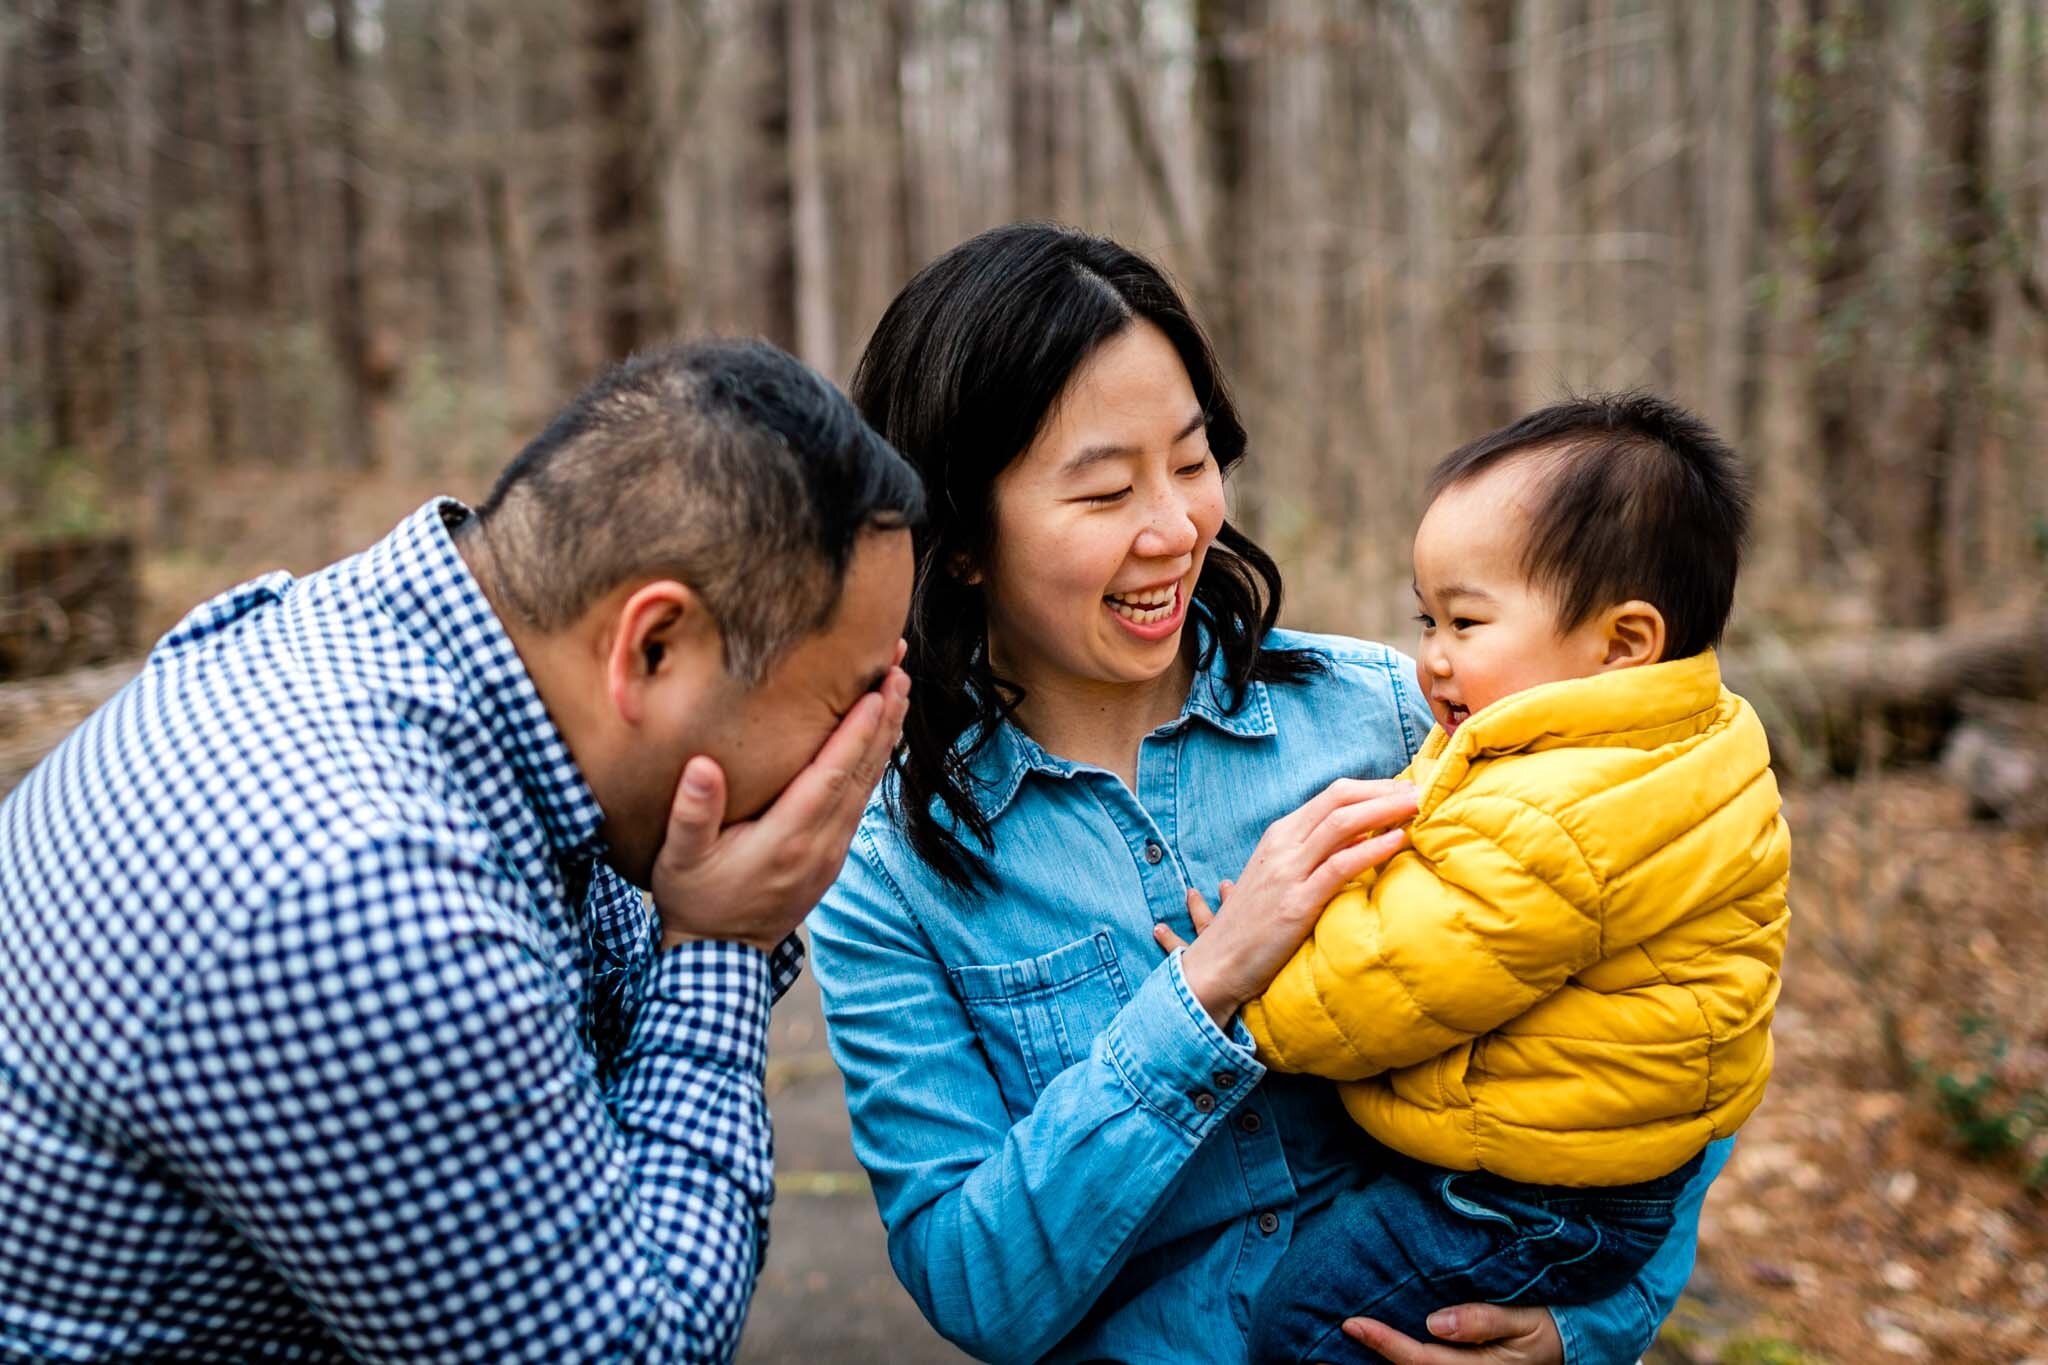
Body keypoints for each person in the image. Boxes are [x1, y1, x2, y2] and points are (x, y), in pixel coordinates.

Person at [809, 222, 1733, 1365]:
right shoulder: (891, 869)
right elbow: (972, 1283)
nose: (1176, 526)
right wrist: (1199, 995)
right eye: (1103, 492)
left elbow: (1677, 1014)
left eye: (1192, 464)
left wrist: (1583, 1330)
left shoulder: (1404, 717)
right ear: (958, 542)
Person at [0, 339, 919, 1363]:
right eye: (847, 701)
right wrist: (722, 949)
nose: (865, 749)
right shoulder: (364, 897)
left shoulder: (357, 638)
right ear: (652, 647)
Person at [1158, 394, 1790, 1363]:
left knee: (1308, 1324)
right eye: (1425, 618)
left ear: (1621, 643)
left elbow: (1379, 989)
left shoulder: (1555, 814)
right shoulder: (1684, 738)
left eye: (1463, 621)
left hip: (1532, 1200)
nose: (1430, 659)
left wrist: (1232, 983)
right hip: (1595, 1166)